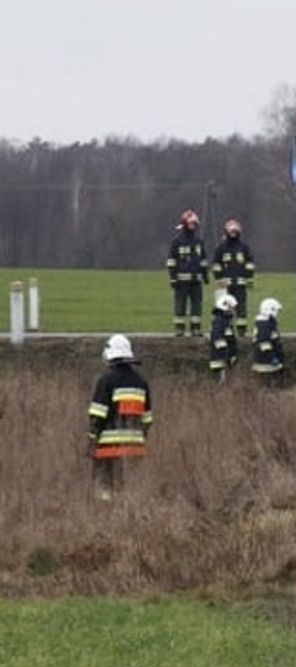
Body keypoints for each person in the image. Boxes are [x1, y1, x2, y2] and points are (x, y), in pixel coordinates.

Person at [87, 335, 153, 502]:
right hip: (135, 448)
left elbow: (97, 415)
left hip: (109, 448)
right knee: (127, 488)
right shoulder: (141, 382)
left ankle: (106, 516)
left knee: (105, 488)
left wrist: (91, 441)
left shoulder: (106, 380)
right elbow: (147, 419)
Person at [167, 209, 209, 336]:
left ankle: (195, 329)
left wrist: (205, 274)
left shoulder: (198, 242)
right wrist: (173, 278)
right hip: (181, 281)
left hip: (196, 280)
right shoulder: (177, 242)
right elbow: (171, 262)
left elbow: (203, 260)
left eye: (195, 224)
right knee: (180, 305)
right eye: (191, 224)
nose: (193, 227)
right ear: (185, 224)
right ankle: (179, 329)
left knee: (197, 305)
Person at [211, 219, 256, 336]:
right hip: (224, 284)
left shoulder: (244, 248)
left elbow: (250, 263)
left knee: (241, 307)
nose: (233, 234)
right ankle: (226, 329)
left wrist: (249, 279)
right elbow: (216, 265)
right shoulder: (221, 248)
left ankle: (242, 330)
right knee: (225, 307)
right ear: (226, 232)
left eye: (235, 232)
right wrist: (219, 279)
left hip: (240, 283)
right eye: (231, 232)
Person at [209, 293, 239, 382]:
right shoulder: (219, 321)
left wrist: (233, 355)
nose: (235, 311)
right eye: (233, 308)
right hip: (219, 362)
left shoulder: (225, 321)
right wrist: (227, 355)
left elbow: (230, 340)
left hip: (224, 362)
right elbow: (218, 340)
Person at [252, 297, 285, 380]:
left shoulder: (267, 324)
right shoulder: (265, 325)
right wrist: (272, 358)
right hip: (265, 364)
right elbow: (264, 343)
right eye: (276, 311)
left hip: (268, 362)